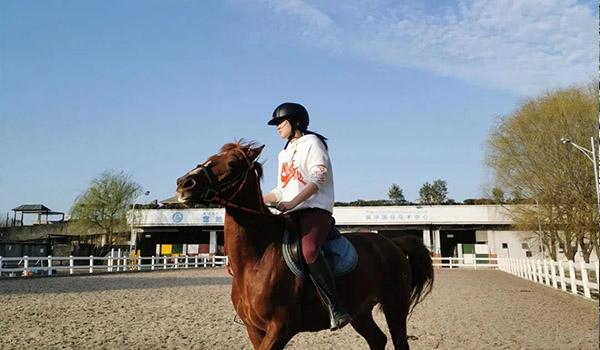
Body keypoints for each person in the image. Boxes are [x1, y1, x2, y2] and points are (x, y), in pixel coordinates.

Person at [263, 102, 352, 331]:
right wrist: (259, 199)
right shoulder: (283, 153)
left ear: (296, 123)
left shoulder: (313, 143)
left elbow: (318, 178)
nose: (277, 128)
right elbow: (281, 189)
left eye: (280, 123)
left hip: (315, 210)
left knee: (309, 250)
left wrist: (293, 202)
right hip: (291, 212)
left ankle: (337, 307)